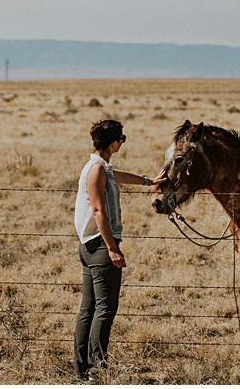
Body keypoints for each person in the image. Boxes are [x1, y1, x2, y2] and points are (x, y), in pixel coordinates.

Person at [73, 119, 164, 381]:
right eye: (121, 139)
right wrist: (113, 248)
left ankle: (83, 367)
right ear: (114, 143)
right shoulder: (96, 171)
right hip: (101, 246)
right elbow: (99, 211)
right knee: (105, 309)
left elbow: (118, 175)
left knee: (88, 309)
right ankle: (97, 367)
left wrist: (150, 181)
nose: (122, 143)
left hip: (89, 245)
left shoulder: (98, 166)